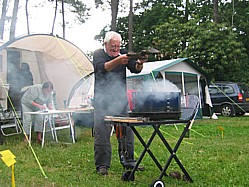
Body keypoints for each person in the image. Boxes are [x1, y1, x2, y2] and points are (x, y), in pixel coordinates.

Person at [93, 31, 148, 175]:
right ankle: (102, 165)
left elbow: (135, 69)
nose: (116, 49)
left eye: (118, 46)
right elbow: (102, 68)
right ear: (105, 44)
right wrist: (118, 60)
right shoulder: (98, 54)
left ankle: (129, 161)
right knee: (102, 134)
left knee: (127, 132)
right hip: (102, 101)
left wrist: (140, 63)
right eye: (113, 46)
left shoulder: (123, 53)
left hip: (120, 100)